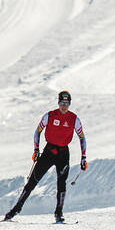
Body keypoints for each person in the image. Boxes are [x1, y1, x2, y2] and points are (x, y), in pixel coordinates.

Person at [4, 91, 87, 223]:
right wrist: (36, 149)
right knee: (33, 181)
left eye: (66, 103)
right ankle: (15, 210)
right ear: (58, 103)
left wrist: (83, 158)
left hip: (63, 154)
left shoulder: (74, 119)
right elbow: (37, 132)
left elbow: (82, 138)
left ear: (70, 104)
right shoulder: (49, 116)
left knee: (61, 183)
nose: (64, 106)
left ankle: (58, 213)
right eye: (61, 103)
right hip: (49, 151)